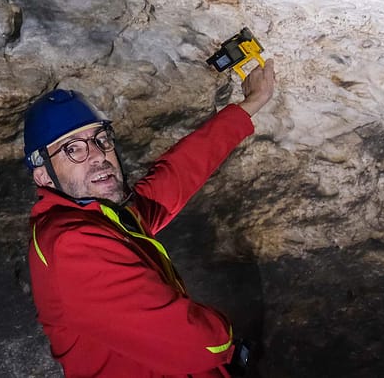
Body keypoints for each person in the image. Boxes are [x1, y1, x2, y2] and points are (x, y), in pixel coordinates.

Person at [24, 60, 277, 377]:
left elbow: (174, 177)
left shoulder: (99, 215)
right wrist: (226, 342)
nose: (99, 155)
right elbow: (196, 346)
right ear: (44, 175)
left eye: (101, 139)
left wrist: (249, 105)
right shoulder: (73, 245)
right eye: (73, 149)